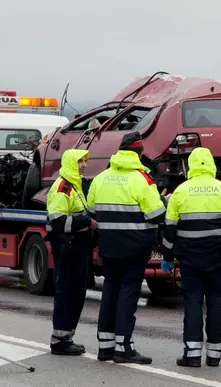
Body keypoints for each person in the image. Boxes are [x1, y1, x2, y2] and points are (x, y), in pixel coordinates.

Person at [158, 147, 221, 367]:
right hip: (217, 257)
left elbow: (169, 230)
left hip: (190, 258)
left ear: (191, 165)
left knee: (193, 302)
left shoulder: (180, 191)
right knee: (216, 302)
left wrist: (167, 255)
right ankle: (214, 355)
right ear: (212, 164)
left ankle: (193, 354)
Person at [86, 131, 168, 364]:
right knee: (128, 294)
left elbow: (91, 212)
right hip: (135, 248)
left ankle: (105, 347)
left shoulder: (101, 178)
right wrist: (163, 200)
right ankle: (123, 347)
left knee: (110, 290)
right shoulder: (143, 179)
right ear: (139, 153)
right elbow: (157, 215)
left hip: (109, 246)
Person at [46, 149, 96, 355]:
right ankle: (60, 340)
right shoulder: (62, 188)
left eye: (85, 161)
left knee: (76, 292)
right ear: (69, 163)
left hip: (77, 248)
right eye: (79, 161)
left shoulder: (76, 186)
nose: (84, 164)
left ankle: (66, 337)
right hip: (68, 248)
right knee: (67, 293)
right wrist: (86, 222)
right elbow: (57, 222)